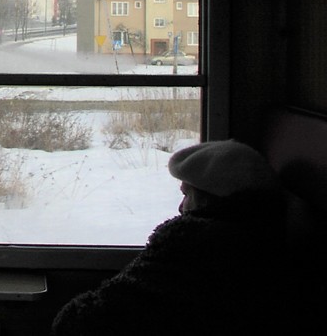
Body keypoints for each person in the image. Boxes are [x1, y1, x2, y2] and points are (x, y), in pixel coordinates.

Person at [51, 140, 325, 336]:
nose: (181, 207)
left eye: (187, 194)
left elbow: (82, 322)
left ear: (210, 200)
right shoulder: (268, 244)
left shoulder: (193, 245)